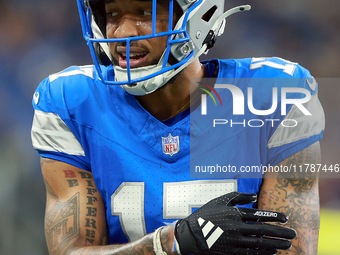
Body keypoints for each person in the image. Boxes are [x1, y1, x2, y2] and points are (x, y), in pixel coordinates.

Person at [31, 0, 324, 254]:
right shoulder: (72, 101)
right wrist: (173, 242)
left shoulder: (274, 94)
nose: (123, 32)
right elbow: (71, 251)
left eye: (144, 12)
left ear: (197, 16)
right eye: (112, 14)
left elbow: (291, 248)